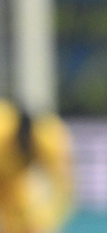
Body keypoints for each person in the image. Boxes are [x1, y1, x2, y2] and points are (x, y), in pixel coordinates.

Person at [0, 98, 73, 233]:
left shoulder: (50, 138)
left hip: (14, 183)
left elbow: (64, 190)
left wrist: (45, 222)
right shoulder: (2, 130)